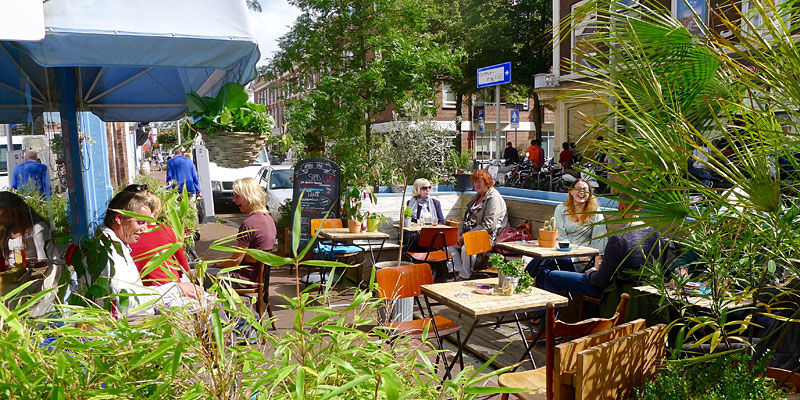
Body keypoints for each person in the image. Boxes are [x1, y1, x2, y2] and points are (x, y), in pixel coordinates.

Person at [537, 196, 666, 299]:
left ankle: (547, 327)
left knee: (551, 275)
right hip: (643, 293)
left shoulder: (619, 239)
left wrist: (590, 271)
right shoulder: (655, 234)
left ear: (621, 206)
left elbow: (600, 281)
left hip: (614, 291)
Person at [100, 189, 205, 316]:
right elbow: (125, 304)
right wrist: (176, 289)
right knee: (211, 307)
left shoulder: (118, 244)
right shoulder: (108, 249)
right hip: (134, 320)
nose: (145, 229)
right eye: (140, 222)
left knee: (209, 304)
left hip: (143, 309)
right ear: (119, 218)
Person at [526, 179, 607, 276]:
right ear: (571, 192)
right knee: (544, 270)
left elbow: (599, 242)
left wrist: (595, 267)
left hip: (583, 259)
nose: (582, 192)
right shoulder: (561, 209)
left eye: (585, 189)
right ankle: (522, 281)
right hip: (562, 251)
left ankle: (519, 280)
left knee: (545, 262)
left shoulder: (596, 213)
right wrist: (574, 251)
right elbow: (560, 235)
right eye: (578, 189)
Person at [215, 177, 277, 289]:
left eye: (237, 196)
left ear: (249, 197)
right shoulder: (269, 219)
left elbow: (234, 262)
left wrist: (214, 265)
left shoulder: (249, 224)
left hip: (242, 278)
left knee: (197, 275)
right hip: (258, 277)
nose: (234, 200)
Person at [447, 170, 508, 279]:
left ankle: (465, 276)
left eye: (479, 182)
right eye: (474, 182)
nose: (476, 185)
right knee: (448, 243)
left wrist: (466, 237)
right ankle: (458, 271)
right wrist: (459, 234)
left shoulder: (493, 198)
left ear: (487, 182)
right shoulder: (476, 197)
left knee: (467, 247)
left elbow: (489, 225)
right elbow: (464, 219)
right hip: (468, 234)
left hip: (486, 237)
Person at [127, 185, 190, 286]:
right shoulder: (169, 232)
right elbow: (184, 268)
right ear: (157, 212)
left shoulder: (126, 238)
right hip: (172, 290)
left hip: (141, 291)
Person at [0, 191, 55, 270]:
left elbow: (45, 262)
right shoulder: (5, 231)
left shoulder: (37, 228)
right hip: (12, 279)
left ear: (12, 210)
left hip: (35, 278)